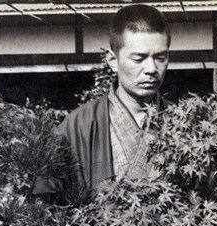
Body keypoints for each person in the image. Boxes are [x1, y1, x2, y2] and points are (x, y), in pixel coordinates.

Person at [32, 4, 171, 200]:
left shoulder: (185, 124)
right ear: (112, 60)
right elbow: (44, 203)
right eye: (139, 59)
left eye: (160, 58)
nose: (151, 68)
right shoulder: (76, 127)